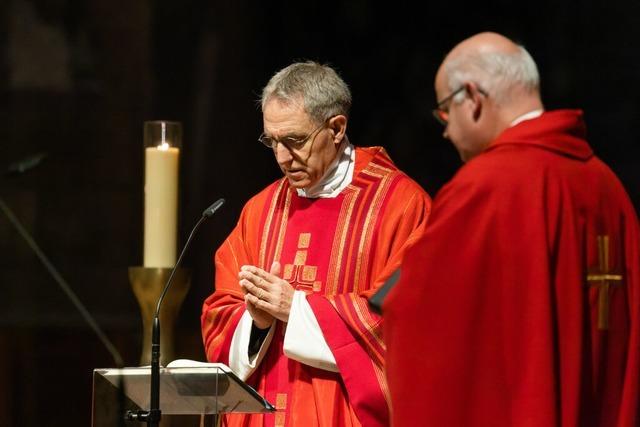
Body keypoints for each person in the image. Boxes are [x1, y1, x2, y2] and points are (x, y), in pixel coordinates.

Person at [384, 32, 640, 426]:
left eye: (443, 113)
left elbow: (419, 318)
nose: (445, 132)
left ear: (472, 97)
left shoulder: (487, 186)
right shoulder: (606, 185)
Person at [201, 61, 431, 427]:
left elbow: (407, 323)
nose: (281, 158)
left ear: (337, 128)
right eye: (271, 141)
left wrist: (297, 309)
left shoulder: (400, 207)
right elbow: (220, 311)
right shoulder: (260, 210)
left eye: (294, 141)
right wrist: (257, 323)